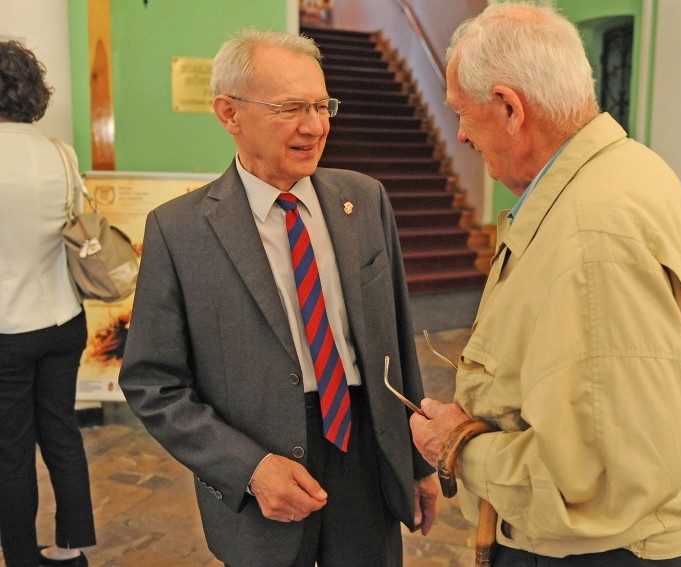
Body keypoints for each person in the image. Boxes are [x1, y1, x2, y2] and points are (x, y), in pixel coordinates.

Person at [410, 4, 681, 566]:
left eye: (462, 112)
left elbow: (598, 477)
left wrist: (455, 446)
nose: (458, 132)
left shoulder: (592, 233)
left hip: (591, 550)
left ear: (509, 108)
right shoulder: (625, 170)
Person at [118, 28, 437, 567]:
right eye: (291, 107)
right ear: (229, 112)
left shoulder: (365, 199)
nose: (314, 126)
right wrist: (247, 468)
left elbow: (394, 340)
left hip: (366, 453)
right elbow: (153, 382)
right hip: (260, 471)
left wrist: (417, 459)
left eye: (321, 104)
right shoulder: (179, 231)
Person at [0, 41, 97, 567]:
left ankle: (20, 557)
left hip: (6, 328)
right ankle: (71, 548)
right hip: (63, 318)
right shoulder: (62, 153)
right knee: (60, 430)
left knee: (10, 449)